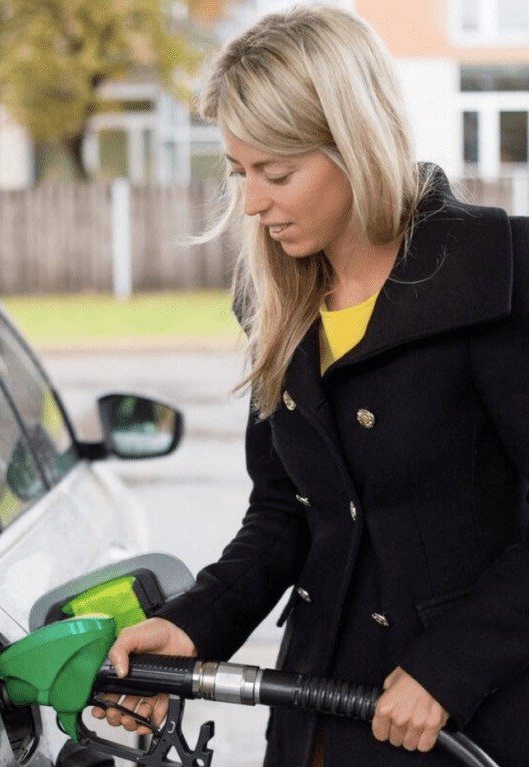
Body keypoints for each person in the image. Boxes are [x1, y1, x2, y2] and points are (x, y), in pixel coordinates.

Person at [92, 6, 529, 767]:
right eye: (240, 172)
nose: (252, 203)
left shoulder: (501, 275)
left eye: (276, 173)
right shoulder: (277, 303)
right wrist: (193, 625)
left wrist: (452, 665)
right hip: (314, 719)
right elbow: (284, 512)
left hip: (473, 727)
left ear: (353, 144)